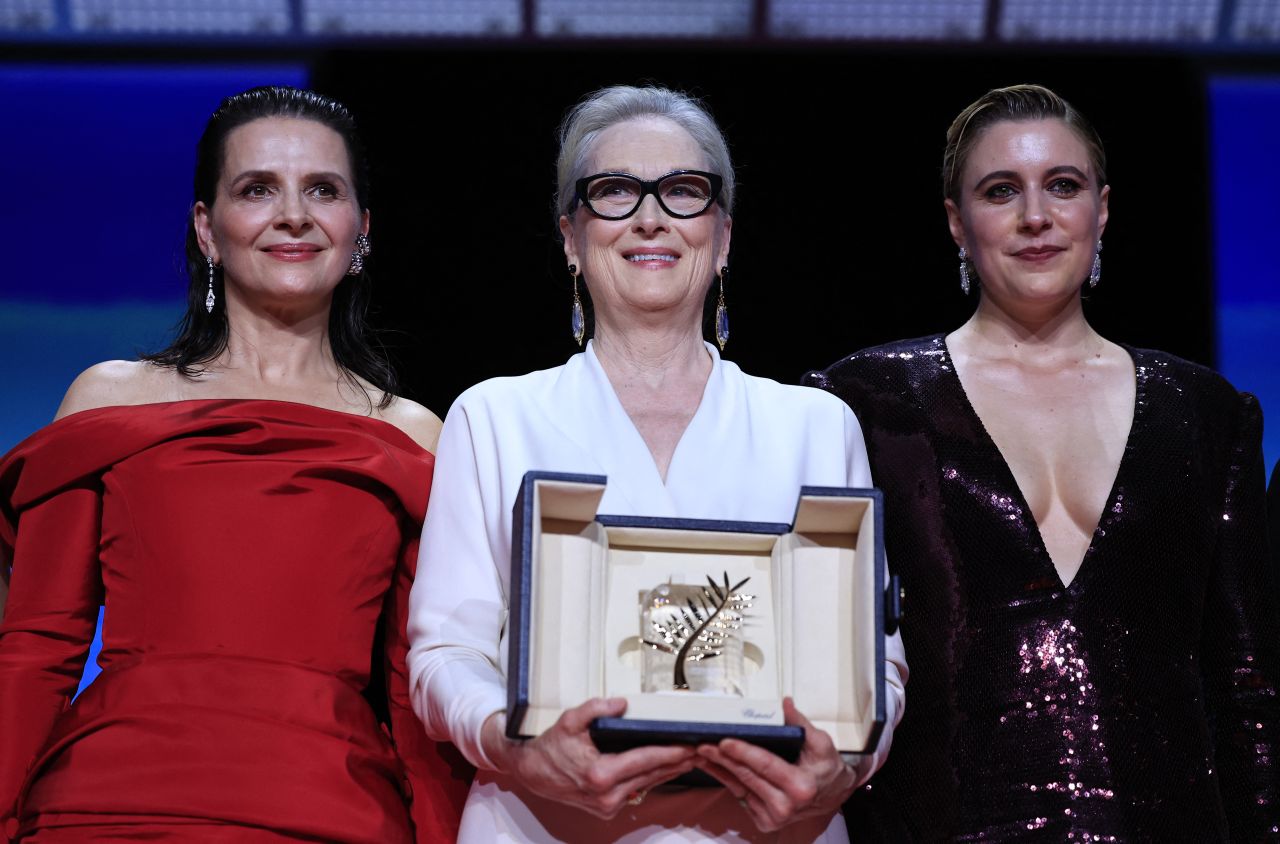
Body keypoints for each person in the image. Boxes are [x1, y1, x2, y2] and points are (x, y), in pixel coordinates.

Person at [405, 84, 908, 842]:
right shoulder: (496, 418)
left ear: (723, 235)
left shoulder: (814, 425)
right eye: (615, 191)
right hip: (542, 826)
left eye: (683, 191)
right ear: (571, 237)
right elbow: (447, 653)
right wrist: (517, 746)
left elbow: (877, 667)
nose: (650, 218)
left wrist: (845, 765)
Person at [805, 84, 1280, 841]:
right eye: (1001, 191)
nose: (1036, 216)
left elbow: (1249, 690)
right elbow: (824, 663)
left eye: (1063, 185)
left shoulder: (1206, 414)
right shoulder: (864, 404)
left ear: (1102, 209)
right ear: (957, 223)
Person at [0, 86, 469, 842]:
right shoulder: (109, 401)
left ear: (361, 230)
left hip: (326, 811)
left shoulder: (414, 436)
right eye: (257, 189)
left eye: (323, 190)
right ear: (206, 229)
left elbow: (418, 694)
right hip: (108, 809)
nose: (294, 215)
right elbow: (35, 651)